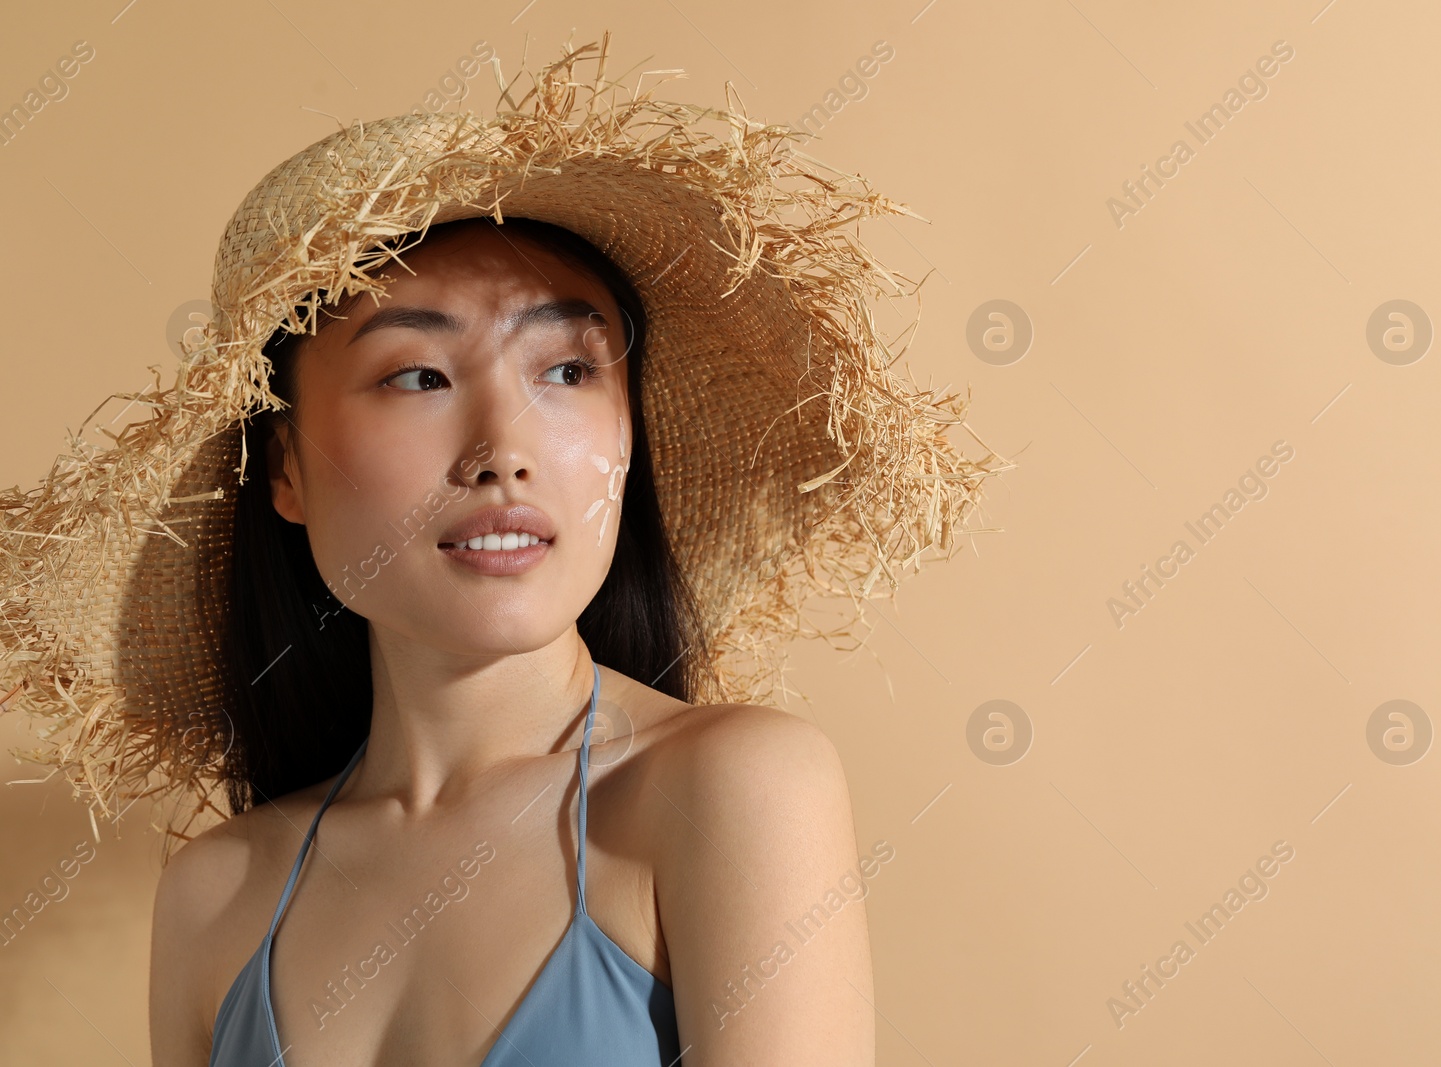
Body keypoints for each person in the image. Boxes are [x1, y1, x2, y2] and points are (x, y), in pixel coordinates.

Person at [0, 35, 999, 1067]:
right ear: (285, 464)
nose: (504, 451)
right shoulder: (217, 891)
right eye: (418, 377)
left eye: (566, 370)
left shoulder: (729, 788)